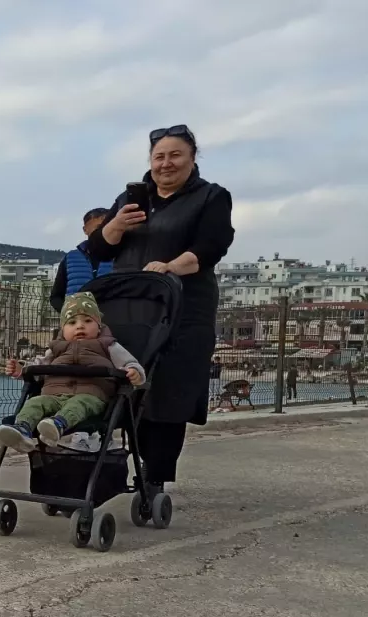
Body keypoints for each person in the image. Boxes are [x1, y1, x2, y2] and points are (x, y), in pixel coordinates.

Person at [86, 124, 235, 493]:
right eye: (159, 156)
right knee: (118, 385)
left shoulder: (210, 197)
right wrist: (115, 226)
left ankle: (154, 476)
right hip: (129, 307)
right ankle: (98, 468)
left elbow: (212, 246)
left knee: (168, 392)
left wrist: (171, 266)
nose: (166, 164)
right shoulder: (131, 197)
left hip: (183, 308)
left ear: (192, 157)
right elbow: (98, 250)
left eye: (175, 155)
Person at [0, 291, 145, 452]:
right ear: (63, 329)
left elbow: (130, 362)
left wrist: (134, 372)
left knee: (79, 404)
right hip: (53, 395)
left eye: (88, 321)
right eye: (72, 322)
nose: (80, 326)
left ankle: (58, 425)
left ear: (99, 326)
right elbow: (39, 366)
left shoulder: (108, 345)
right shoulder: (56, 349)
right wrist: (21, 369)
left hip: (91, 396)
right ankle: (23, 428)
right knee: (35, 403)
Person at [48, 208, 114, 312]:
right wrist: (69, 315)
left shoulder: (123, 255)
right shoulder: (71, 258)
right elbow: (56, 297)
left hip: (115, 321)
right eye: (98, 228)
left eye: (107, 226)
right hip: (80, 323)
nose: (102, 231)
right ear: (85, 229)